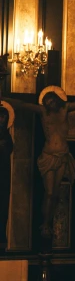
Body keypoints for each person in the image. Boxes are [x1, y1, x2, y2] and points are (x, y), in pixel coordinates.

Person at [5, 88, 75, 240]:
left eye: (51, 101)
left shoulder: (65, 109)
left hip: (63, 155)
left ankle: (49, 223)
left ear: (57, 100)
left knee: (55, 193)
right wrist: (4, 98)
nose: (49, 104)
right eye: (47, 102)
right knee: (49, 192)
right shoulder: (43, 111)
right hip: (48, 156)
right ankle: (45, 223)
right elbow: (22, 104)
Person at [0, 105, 14, 251]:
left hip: (3, 174)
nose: (1, 119)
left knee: (2, 205)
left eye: (4, 117)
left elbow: (8, 147)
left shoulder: (7, 135)